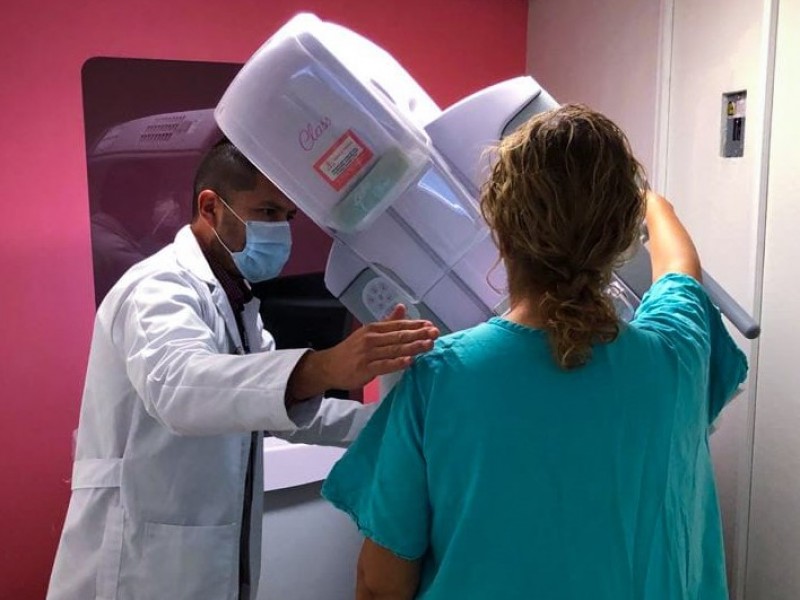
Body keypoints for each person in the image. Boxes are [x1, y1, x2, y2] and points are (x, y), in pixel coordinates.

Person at [321, 105, 748, 599]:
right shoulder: (677, 356)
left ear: (499, 231)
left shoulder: (440, 379)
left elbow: (379, 586)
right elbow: (679, 266)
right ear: (621, 235)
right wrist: (648, 202)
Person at [47, 139, 439, 600]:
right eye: (267, 212)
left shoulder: (237, 302)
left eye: (287, 217)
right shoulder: (157, 287)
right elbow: (179, 386)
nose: (281, 231)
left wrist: (398, 425)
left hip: (199, 553)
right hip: (134, 558)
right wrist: (324, 366)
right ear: (210, 207)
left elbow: (280, 408)